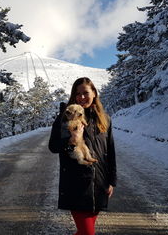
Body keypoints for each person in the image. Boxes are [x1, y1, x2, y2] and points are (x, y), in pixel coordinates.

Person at [48, 77, 117, 235]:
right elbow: (53, 146)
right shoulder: (64, 118)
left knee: (84, 232)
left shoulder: (104, 119)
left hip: (99, 184)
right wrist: (71, 140)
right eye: (77, 94)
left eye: (85, 93)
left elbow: (110, 152)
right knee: (87, 233)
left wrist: (111, 181)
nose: (82, 97)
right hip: (75, 184)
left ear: (94, 93)